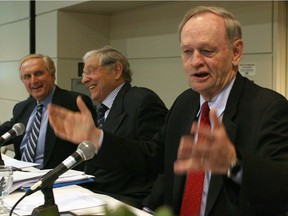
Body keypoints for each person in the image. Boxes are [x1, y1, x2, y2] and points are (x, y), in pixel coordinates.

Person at [48, 6, 288, 215]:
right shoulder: (186, 102)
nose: (195, 62)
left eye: (207, 51)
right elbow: (151, 158)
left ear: (236, 52)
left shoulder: (268, 107)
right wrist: (97, 139)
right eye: (187, 52)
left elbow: (281, 187)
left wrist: (233, 164)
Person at [78, 46, 167, 208]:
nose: (84, 80)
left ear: (117, 71)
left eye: (90, 71)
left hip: (126, 201)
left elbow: (155, 158)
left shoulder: (142, 100)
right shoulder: (101, 109)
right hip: (94, 196)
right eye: (84, 74)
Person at [0, 54, 97, 170]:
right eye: (27, 76)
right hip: (20, 176)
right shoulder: (22, 107)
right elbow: (7, 131)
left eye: (39, 74)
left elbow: (92, 148)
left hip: (57, 180)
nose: (33, 81)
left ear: (52, 75)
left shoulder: (75, 103)